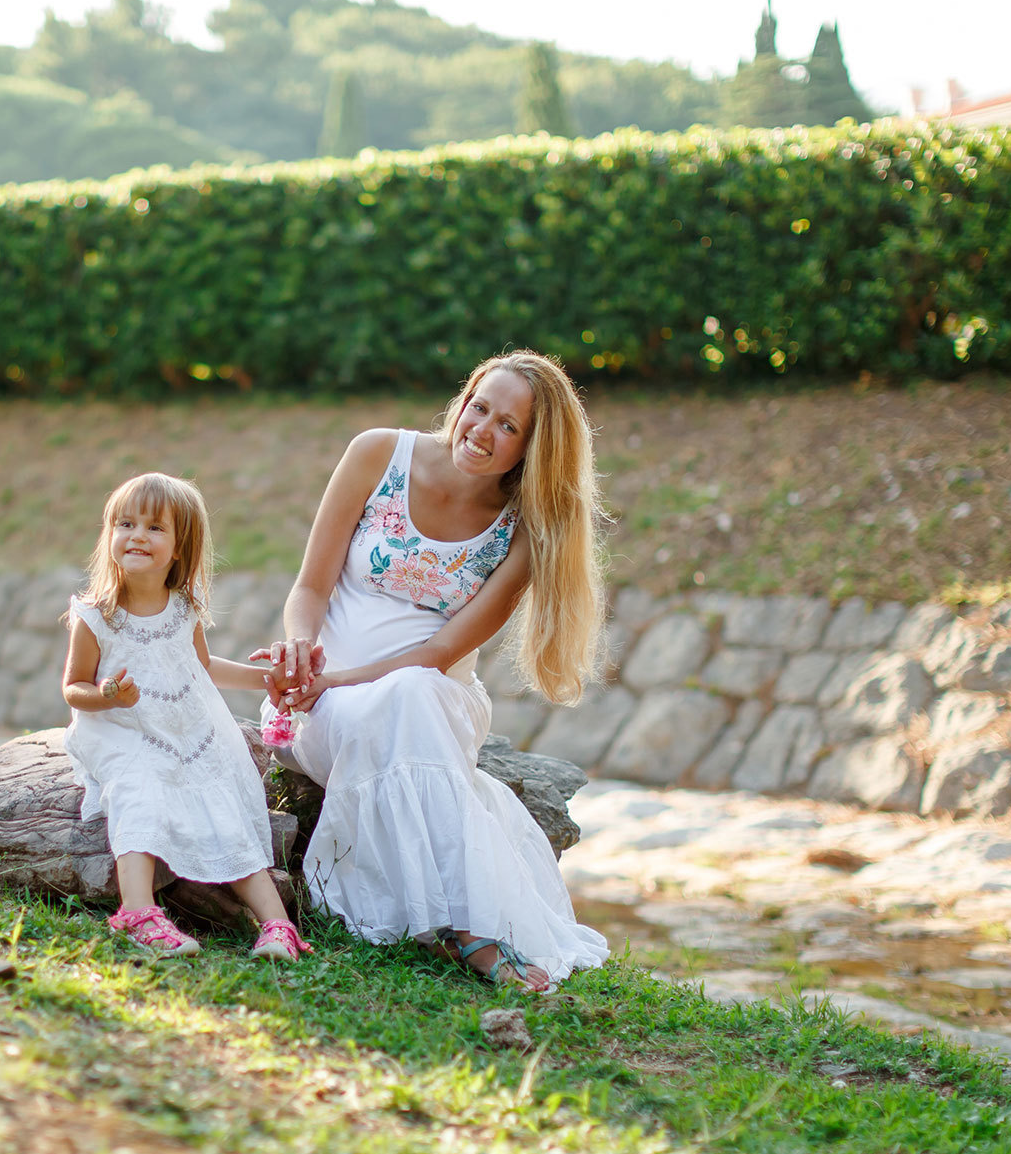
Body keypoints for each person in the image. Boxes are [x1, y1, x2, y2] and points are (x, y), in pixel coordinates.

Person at [261, 351, 609, 991]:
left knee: (414, 692)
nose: (482, 430)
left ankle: (465, 928)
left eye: (509, 426)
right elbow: (308, 588)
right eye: (480, 407)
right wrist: (301, 653)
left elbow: (438, 655)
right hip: (323, 705)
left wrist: (335, 677)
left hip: (431, 700)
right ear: (463, 399)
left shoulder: (524, 530)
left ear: (533, 449)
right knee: (401, 702)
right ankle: (470, 931)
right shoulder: (377, 454)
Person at [62, 471, 312, 961]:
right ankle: (137, 911)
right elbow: (74, 688)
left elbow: (202, 666)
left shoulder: (182, 609)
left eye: (155, 528)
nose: (137, 535)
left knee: (220, 799)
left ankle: (277, 925)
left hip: (183, 727)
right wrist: (108, 694)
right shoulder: (96, 616)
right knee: (141, 787)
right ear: (109, 533)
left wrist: (265, 680)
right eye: (126, 523)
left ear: (179, 547)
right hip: (121, 729)